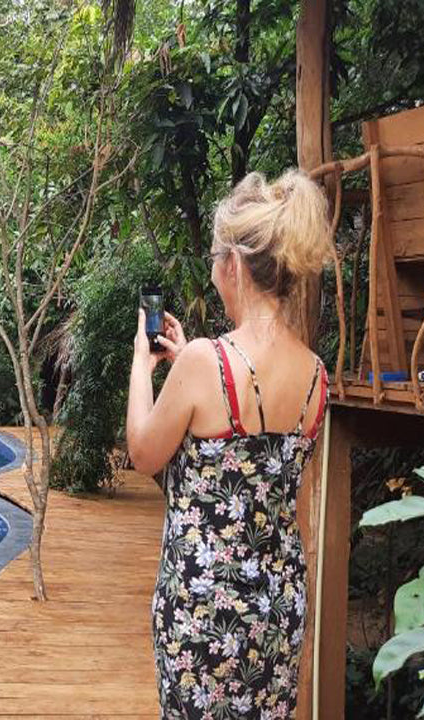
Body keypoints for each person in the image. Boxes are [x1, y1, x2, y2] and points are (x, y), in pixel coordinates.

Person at [124, 170, 331, 719]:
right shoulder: (317, 374)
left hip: (205, 614)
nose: (214, 270)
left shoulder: (203, 362)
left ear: (234, 263)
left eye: (216, 257)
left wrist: (143, 365)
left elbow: (143, 451)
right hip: (278, 610)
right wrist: (190, 359)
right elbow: (279, 493)